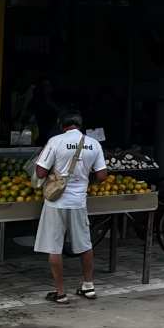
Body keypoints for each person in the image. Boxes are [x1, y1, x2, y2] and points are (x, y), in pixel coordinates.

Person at [33, 112, 106, 304]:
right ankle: (88, 287)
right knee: (85, 244)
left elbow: (40, 171)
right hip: (79, 202)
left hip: (56, 202)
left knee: (54, 247)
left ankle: (60, 293)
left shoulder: (55, 141)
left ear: (61, 124)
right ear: (80, 125)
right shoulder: (93, 144)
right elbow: (101, 176)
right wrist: (83, 181)